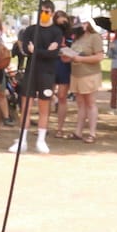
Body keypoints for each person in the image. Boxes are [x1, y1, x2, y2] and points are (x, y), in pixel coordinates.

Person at [8, 0, 63, 154]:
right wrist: (42, 51)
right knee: (26, 106)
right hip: (31, 71)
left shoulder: (56, 32)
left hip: (47, 73)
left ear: (51, 13)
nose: (43, 15)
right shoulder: (31, 30)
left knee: (44, 106)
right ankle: (22, 140)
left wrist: (37, 51)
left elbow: (53, 53)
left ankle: (41, 139)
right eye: (41, 11)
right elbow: (26, 49)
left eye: (46, 12)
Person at [64, 18, 106, 143]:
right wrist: (68, 56)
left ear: (87, 24)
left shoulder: (94, 37)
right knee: (80, 104)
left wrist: (81, 59)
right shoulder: (77, 38)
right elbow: (74, 54)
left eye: (82, 23)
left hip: (89, 74)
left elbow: (99, 56)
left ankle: (92, 133)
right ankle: (78, 131)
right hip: (76, 74)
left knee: (90, 103)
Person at [51, 9, 73, 138]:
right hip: (52, 64)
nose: (61, 21)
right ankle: (44, 126)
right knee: (47, 95)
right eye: (58, 18)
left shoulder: (71, 33)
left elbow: (75, 48)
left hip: (65, 66)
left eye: (63, 18)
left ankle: (60, 128)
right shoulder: (52, 31)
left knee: (62, 96)